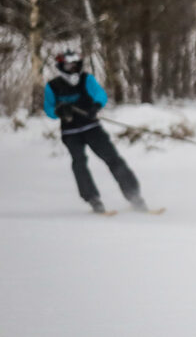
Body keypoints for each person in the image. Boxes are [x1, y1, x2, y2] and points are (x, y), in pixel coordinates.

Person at [43, 49, 148, 214]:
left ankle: (134, 197)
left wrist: (96, 106)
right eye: (69, 64)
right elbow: (48, 108)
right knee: (79, 163)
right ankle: (93, 199)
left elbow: (100, 95)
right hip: (71, 133)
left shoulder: (87, 79)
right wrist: (59, 111)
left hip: (92, 128)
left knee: (113, 159)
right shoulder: (52, 86)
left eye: (75, 64)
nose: (73, 67)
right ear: (62, 66)